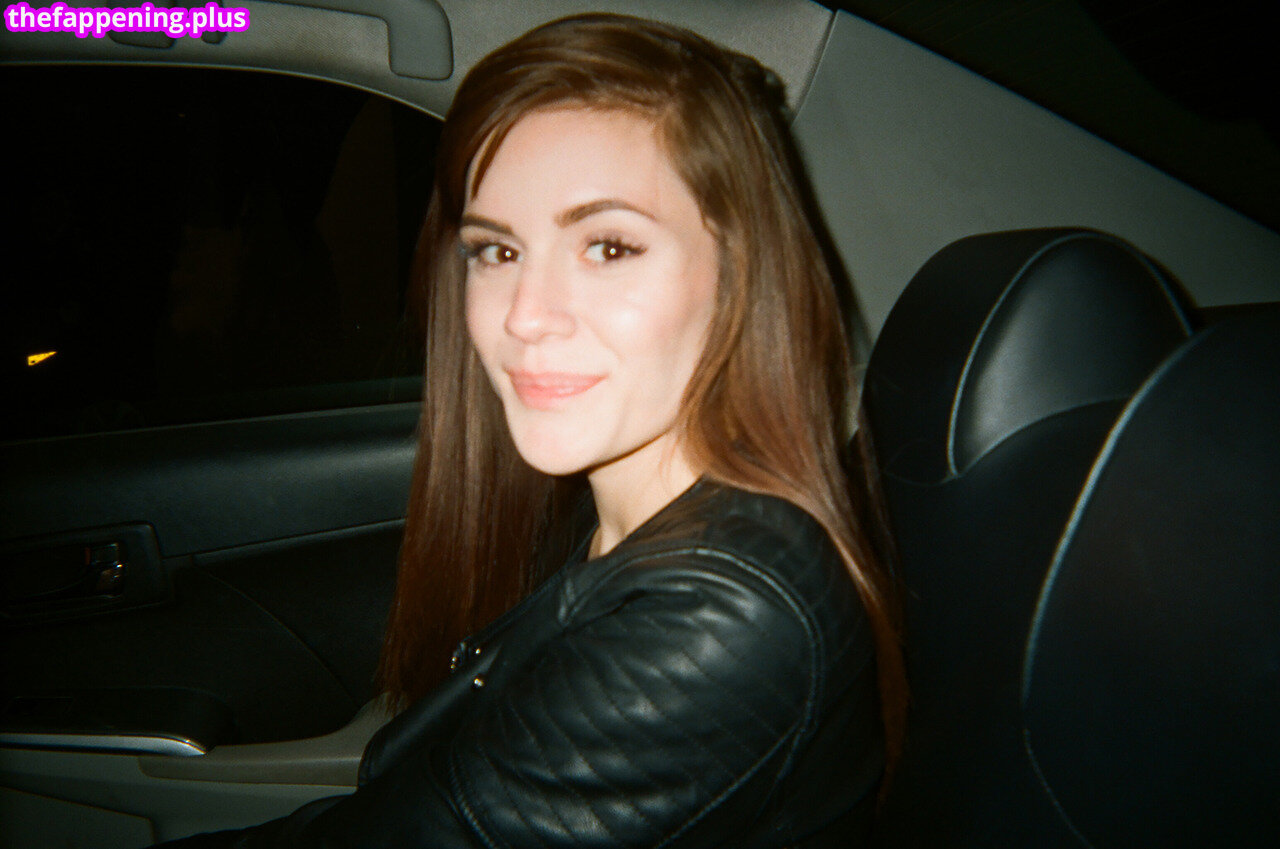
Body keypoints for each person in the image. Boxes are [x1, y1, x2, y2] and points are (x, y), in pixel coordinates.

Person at [156, 12, 905, 848]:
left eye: (609, 247)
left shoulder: (721, 616)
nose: (524, 316)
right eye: (497, 251)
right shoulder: (620, 519)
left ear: (739, 272)